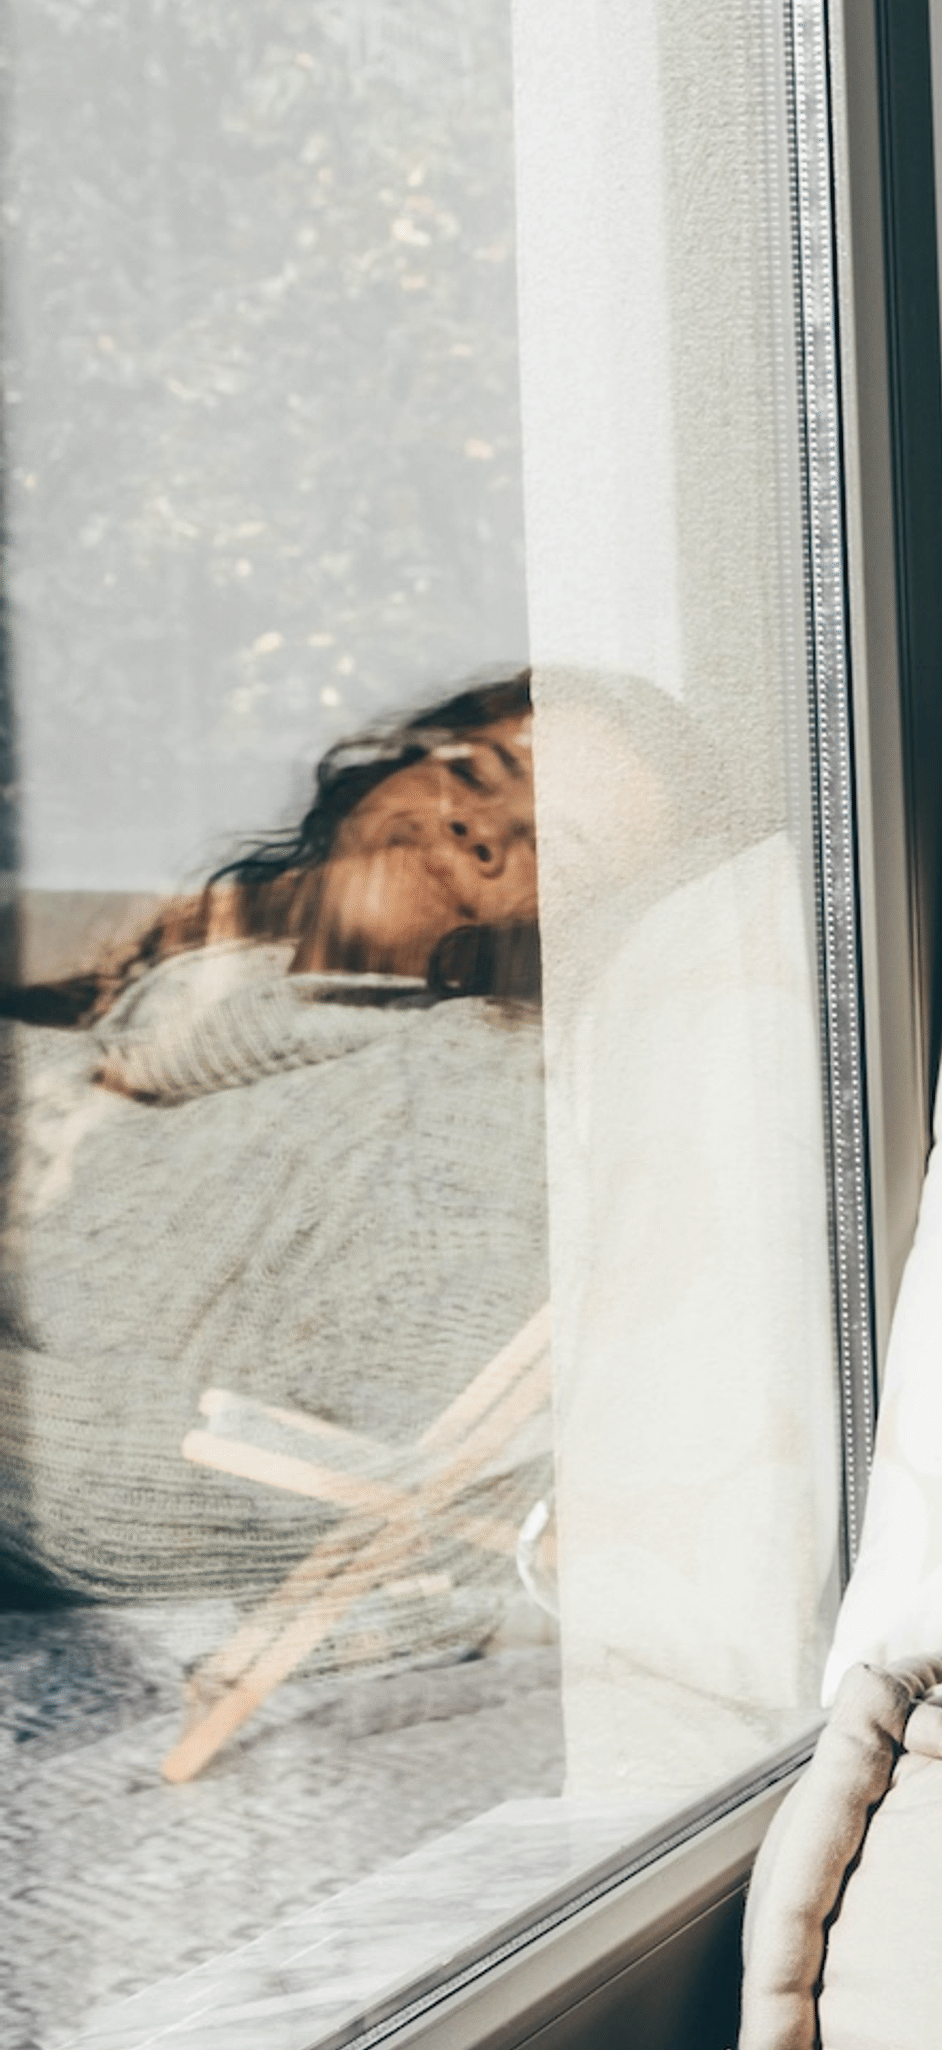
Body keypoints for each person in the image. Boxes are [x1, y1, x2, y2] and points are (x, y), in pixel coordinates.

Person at [0, 674, 551, 1659]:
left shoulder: (471, 1090)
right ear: (378, 773)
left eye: (549, 841)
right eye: (476, 771)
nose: (479, 828)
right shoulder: (190, 980)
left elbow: (345, 1494)